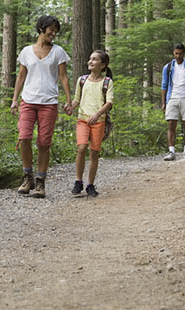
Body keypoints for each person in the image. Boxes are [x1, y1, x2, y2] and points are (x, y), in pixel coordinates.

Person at [10, 15, 71, 198]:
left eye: (55, 31)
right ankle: (27, 177)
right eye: (51, 29)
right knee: (24, 137)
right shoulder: (27, 52)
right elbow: (21, 77)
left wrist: (68, 100)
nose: (53, 34)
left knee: (44, 143)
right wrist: (14, 100)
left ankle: (40, 183)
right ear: (41, 29)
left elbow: (63, 77)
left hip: (49, 102)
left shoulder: (58, 51)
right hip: (28, 101)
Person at [64, 50, 113, 198]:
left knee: (94, 152)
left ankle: (90, 184)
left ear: (103, 65)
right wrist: (70, 107)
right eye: (90, 59)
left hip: (99, 121)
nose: (90, 62)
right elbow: (77, 99)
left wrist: (98, 114)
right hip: (83, 120)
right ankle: (78, 181)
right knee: (82, 147)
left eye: (95, 59)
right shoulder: (82, 80)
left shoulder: (107, 82)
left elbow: (109, 102)